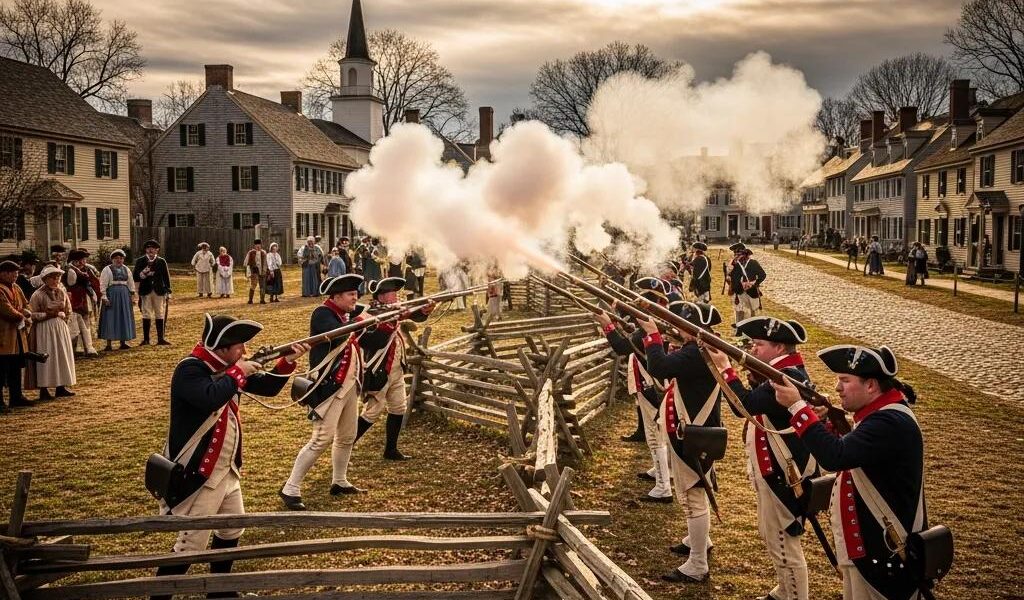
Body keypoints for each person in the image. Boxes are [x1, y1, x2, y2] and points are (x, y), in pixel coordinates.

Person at [150, 314, 308, 600]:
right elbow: (210, 397)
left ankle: (220, 592)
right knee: (191, 544)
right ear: (221, 348)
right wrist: (240, 373)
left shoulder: (228, 368)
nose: (244, 352)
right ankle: (159, 597)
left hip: (227, 468)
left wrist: (287, 361)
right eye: (239, 347)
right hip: (200, 472)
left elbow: (268, 388)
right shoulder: (190, 370)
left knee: (232, 528)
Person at [771, 345, 928, 600]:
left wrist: (798, 409)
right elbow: (852, 449)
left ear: (871, 386)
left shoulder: (887, 423)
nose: (837, 388)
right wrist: (822, 420)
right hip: (869, 549)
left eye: (845, 380)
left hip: (884, 551)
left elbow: (835, 456)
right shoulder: (879, 417)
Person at [704, 316, 818, 600]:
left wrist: (725, 368)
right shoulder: (781, 371)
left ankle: (794, 596)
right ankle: (784, 590)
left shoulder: (786, 377)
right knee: (773, 535)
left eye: (759, 344)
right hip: (775, 468)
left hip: (784, 472)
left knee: (783, 540)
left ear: (779, 347)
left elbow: (745, 405)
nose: (753, 349)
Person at [638, 301, 724, 584]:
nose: (677, 328)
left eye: (682, 324)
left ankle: (697, 564)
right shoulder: (701, 349)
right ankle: (699, 541)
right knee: (696, 493)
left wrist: (651, 335)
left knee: (693, 498)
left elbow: (658, 366)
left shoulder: (695, 354)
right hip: (698, 431)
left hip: (694, 434)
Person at [281, 274, 367, 510]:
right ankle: (290, 487)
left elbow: (378, 310)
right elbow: (339, 334)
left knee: (347, 436)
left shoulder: (344, 312)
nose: (355, 298)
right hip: (329, 385)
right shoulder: (322, 314)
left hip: (348, 384)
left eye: (355, 294)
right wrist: (362, 318)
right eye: (350, 294)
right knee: (321, 439)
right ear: (336, 296)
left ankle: (339, 481)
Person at [593, 278, 674, 503]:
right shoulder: (660, 325)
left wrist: (607, 324)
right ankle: (665, 472)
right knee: (662, 434)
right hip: (659, 387)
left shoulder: (645, 332)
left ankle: (662, 486)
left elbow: (622, 347)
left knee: (654, 437)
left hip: (651, 389)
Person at [353, 277, 434, 460]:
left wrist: (424, 310)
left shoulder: (393, 310)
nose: (397, 297)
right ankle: (346, 446)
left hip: (397, 369)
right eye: (393, 293)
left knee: (398, 408)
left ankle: (391, 450)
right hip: (379, 371)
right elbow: (373, 341)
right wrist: (393, 320)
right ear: (381, 297)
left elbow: (417, 315)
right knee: (372, 412)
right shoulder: (367, 315)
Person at [27, 265, 76, 401]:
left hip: (59, 328)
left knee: (61, 355)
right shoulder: (38, 294)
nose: (55, 280)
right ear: (45, 279)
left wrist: (64, 320)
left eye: (58, 278)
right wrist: (47, 315)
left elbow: (68, 310)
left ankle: (61, 386)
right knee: (47, 356)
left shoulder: (61, 292)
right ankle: (44, 388)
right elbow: (31, 314)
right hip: (44, 329)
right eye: (52, 278)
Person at [0, 260, 33, 410]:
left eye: (16, 273)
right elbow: (5, 310)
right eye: (13, 273)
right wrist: (22, 316)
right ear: (4, 273)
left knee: (16, 367)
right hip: (4, 335)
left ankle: (16, 396)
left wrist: (27, 311)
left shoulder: (16, 287)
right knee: (2, 369)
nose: (15, 275)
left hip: (17, 335)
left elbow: (26, 303)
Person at [133, 240, 172, 345]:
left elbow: (166, 277)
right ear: (146, 249)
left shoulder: (161, 261)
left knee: (159, 313)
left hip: (159, 290)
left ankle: (160, 338)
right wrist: (144, 273)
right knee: (146, 313)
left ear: (157, 250)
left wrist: (168, 291)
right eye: (148, 248)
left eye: (153, 248)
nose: (151, 250)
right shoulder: (140, 261)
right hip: (146, 290)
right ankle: (146, 339)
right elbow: (135, 276)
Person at [63, 249, 100, 357]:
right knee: (74, 324)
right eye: (82, 259)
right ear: (76, 261)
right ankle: (74, 348)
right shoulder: (71, 270)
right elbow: (71, 283)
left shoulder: (83, 269)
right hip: (76, 299)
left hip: (83, 298)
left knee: (85, 322)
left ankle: (87, 347)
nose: (84, 261)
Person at [98, 249, 136, 350]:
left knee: (123, 316)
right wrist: (104, 297)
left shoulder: (126, 269)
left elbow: (131, 283)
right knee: (110, 317)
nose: (119, 260)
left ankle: (123, 342)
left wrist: (132, 296)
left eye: (121, 258)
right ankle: (108, 344)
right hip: (112, 295)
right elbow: (103, 284)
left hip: (124, 295)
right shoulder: (107, 269)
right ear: (112, 259)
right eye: (116, 258)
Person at [728, 244, 767, 330]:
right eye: (735, 255)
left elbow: (762, 275)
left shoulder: (753, 263)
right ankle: (739, 329)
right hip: (739, 292)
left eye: (739, 255)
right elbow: (730, 277)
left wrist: (753, 283)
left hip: (752, 291)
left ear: (745, 254)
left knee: (753, 313)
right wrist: (730, 269)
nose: (737, 257)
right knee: (739, 312)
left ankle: (752, 330)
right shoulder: (734, 264)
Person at [243, 239, 268, 305]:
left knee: (262, 286)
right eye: (256, 245)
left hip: (262, 271)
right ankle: (250, 300)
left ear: (261, 245)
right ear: (254, 245)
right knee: (253, 284)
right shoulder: (251, 252)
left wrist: (265, 270)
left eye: (259, 244)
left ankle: (262, 300)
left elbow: (265, 263)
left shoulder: (264, 252)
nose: (258, 246)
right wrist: (248, 270)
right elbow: (245, 262)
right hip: (254, 271)